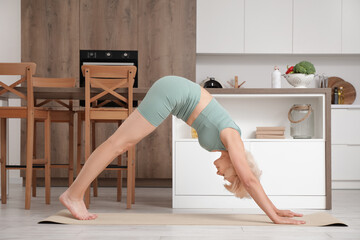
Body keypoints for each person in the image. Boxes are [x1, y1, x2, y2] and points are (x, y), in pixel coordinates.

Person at [60, 76, 306, 225]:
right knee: (119, 144)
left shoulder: (225, 144)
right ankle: (73, 195)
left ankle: (74, 194)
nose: (221, 175)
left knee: (120, 143)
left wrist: (274, 209)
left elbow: (248, 179)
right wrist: (274, 214)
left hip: (173, 94)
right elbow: (250, 180)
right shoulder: (234, 138)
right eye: (229, 176)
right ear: (238, 166)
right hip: (172, 93)